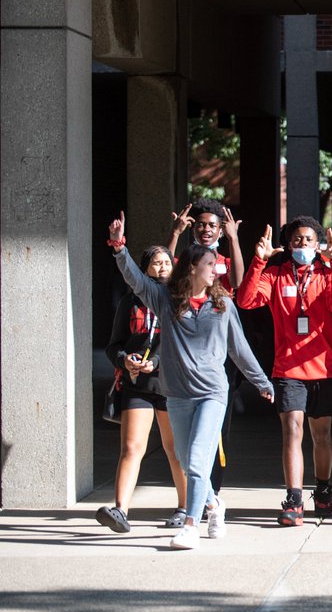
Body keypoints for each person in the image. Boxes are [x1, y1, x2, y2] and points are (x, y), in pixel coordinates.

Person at [106, 213, 273, 550]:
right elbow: (137, 281)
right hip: (177, 394)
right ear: (194, 268)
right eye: (211, 263)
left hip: (212, 392)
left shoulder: (222, 303)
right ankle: (213, 505)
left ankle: (190, 525)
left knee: (197, 459)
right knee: (185, 458)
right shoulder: (167, 300)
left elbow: (239, 349)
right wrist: (119, 247)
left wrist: (262, 382)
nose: (216, 268)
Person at [237, 217, 332, 526]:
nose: (302, 245)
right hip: (288, 368)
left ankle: (323, 490)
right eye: (297, 240)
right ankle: (294, 499)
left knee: (322, 435)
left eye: (309, 240)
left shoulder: (327, 272)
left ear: (318, 245)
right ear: (287, 244)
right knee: (292, 432)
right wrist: (258, 262)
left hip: (323, 368)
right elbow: (245, 301)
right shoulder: (276, 274)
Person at [95, 246, 188, 533]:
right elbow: (114, 345)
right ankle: (120, 510)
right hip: (138, 385)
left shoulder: (179, 301)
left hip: (170, 384)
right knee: (131, 447)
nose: (162, 267)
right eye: (155, 263)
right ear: (143, 270)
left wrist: (157, 361)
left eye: (166, 263)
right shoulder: (131, 302)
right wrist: (125, 360)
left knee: (176, 450)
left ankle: (186, 508)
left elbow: (185, 344)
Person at [166, 197, 246, 498]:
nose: (206, 230)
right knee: (187, 439)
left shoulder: (224, 262)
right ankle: (198, 499)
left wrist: (235, 240)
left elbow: (238, 281)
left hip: (217, 354)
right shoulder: (185, 262)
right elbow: (165, 275)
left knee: (215, 432)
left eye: (212, 226)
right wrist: (174, 234)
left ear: (220, 230)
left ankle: (213, 493)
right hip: (185, 352)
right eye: (200, 225)